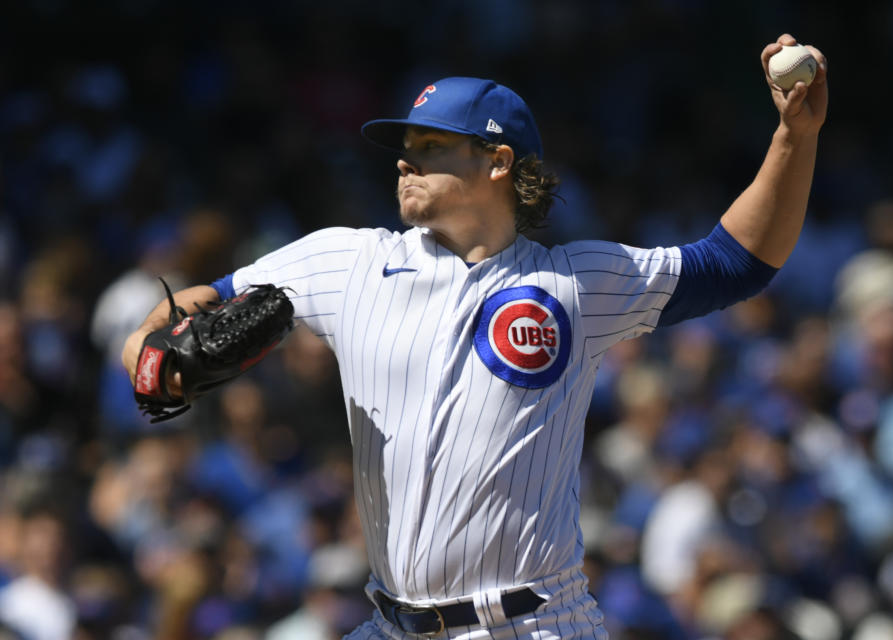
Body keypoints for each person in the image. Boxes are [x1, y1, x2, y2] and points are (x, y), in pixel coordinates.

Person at [122, 33, 827, 640]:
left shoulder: (574, 283)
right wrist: (148, 357)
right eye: (404, 147)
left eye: (431, 146)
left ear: (497, 162)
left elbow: (735, 262)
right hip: (391, 621)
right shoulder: (346, 260)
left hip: (535, 622)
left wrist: (795, 137)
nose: (405, 160)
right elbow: (188, 307)